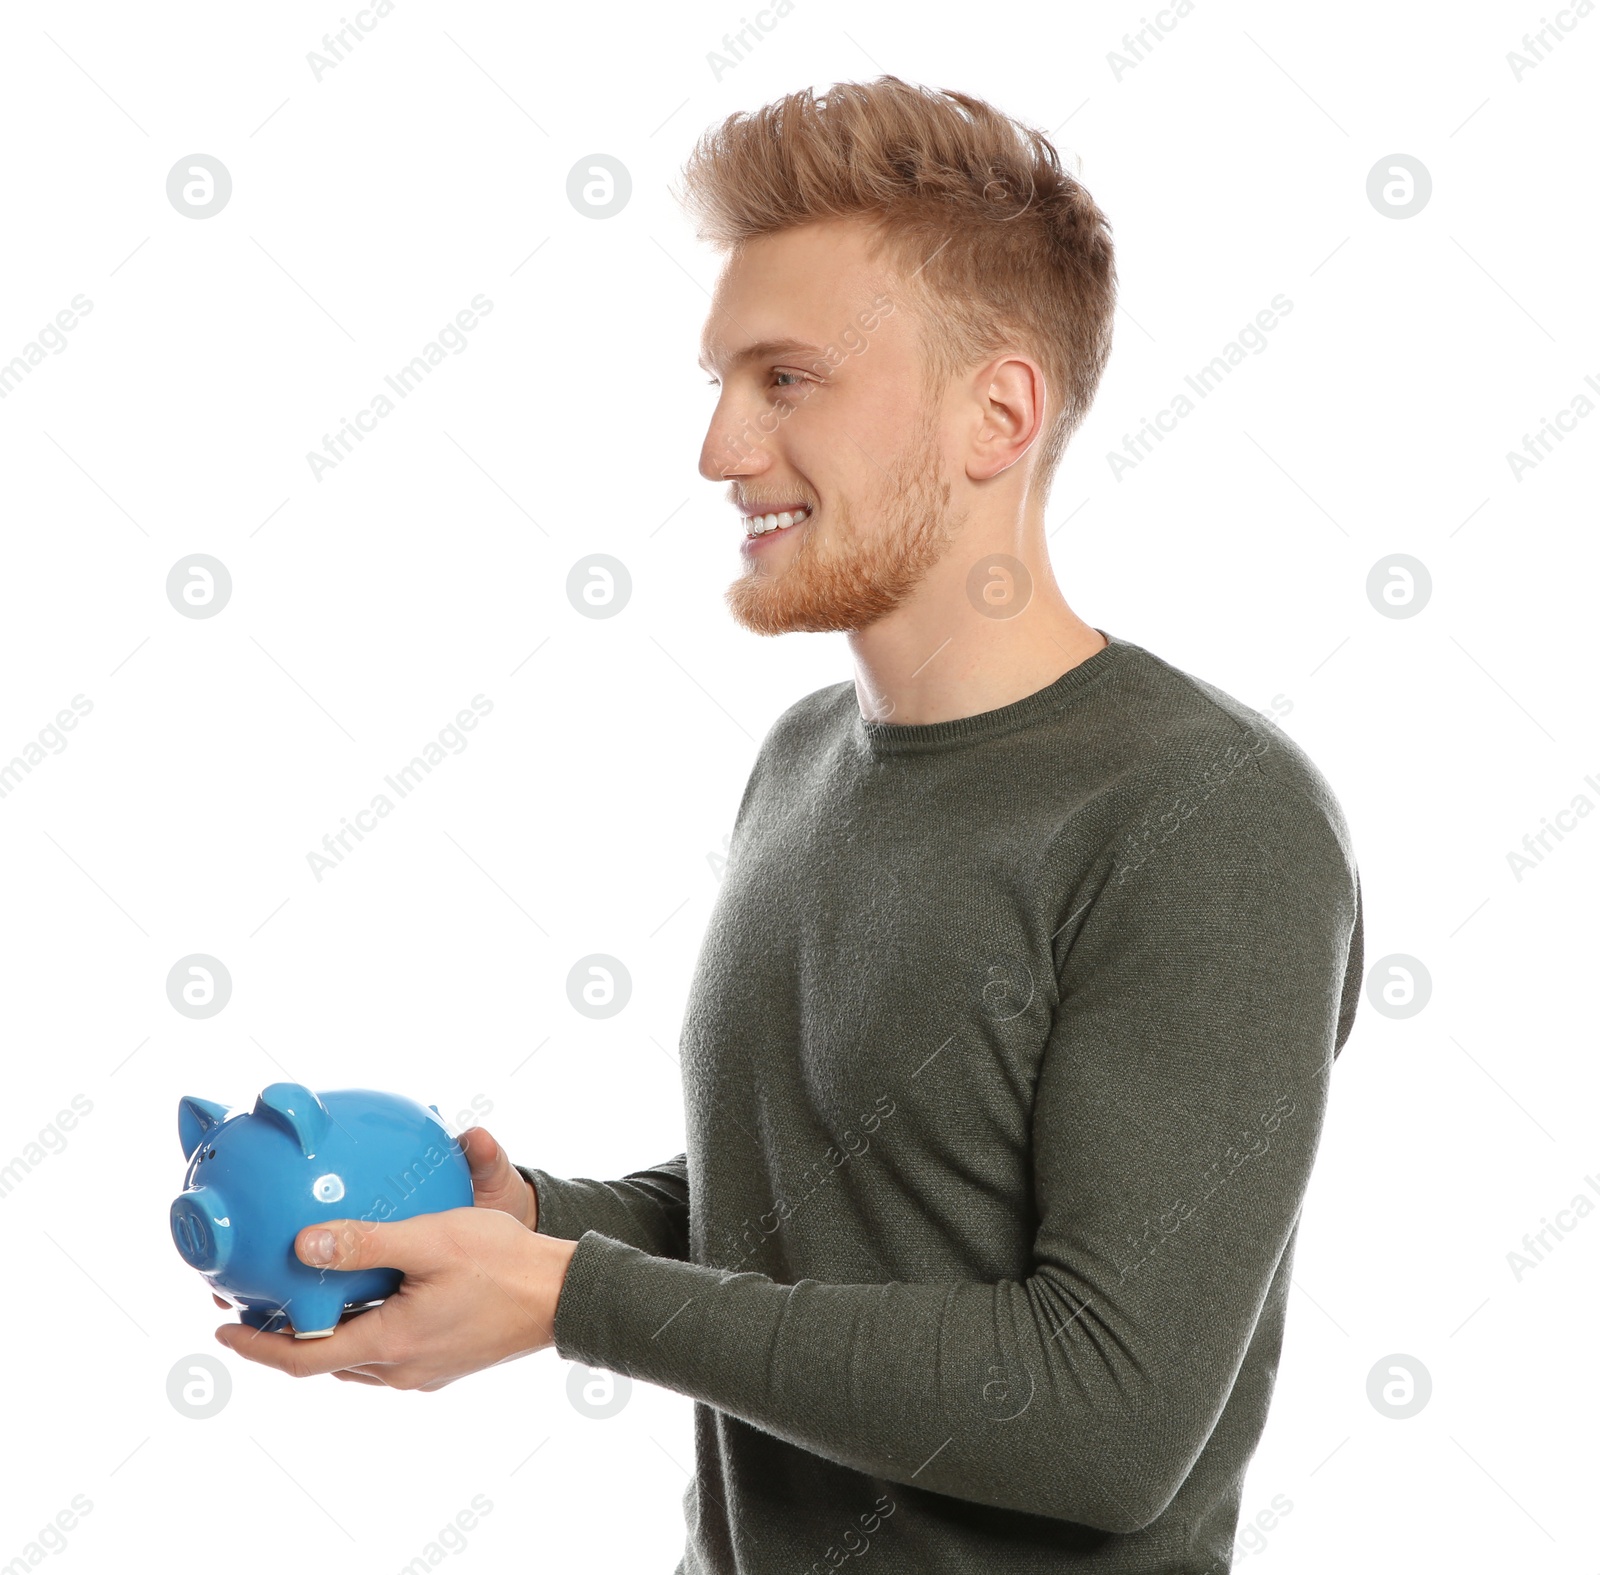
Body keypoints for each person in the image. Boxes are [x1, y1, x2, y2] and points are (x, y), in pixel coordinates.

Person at [218, 75, 1363, 1575]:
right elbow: (844, 1208)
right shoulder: (810, 757)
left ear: (997, 412)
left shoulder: (1207, 822)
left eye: (786, 380)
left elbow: (1107, 1418)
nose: (718, 451)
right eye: (718, 382)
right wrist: (528, 1219)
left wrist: (571, 1295)